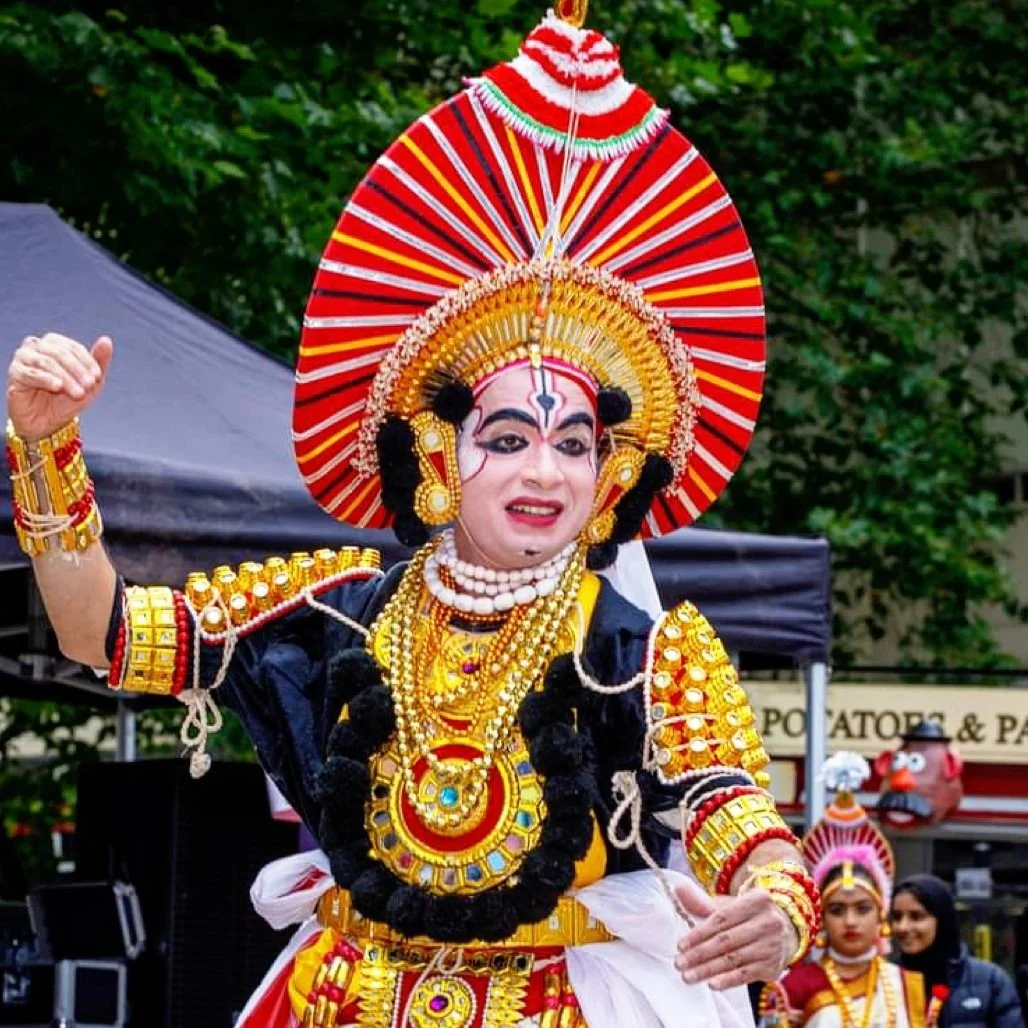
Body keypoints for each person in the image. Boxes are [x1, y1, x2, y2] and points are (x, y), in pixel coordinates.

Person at [4, 4, 822, 1025]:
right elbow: (103, 630)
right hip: (345, 996)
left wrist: (778, 900)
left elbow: (732, 812)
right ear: (439, 455)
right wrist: (42, 448)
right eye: (509, 436)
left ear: (609, 477)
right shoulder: (330, 610)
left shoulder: (646, 651)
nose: (544, 469)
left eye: (574, 444)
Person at [758, 753, 924, 1028]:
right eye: (837, 910)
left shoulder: (905, 985)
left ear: (881, 913)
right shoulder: (792, 989)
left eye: (863, 908)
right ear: (820, 917)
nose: (850, 921)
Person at [892, 875, 1023, 1028]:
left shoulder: (991, 981)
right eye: (896, 917)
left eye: (916, 917)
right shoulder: (884, 981)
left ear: (942, 920)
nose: (902, 927)